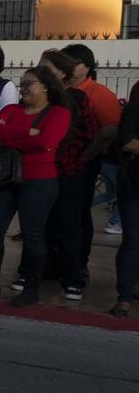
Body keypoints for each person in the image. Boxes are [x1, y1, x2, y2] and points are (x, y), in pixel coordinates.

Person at [0, 68, 71, 305]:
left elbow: (45, 142)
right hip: (5, 179)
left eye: (28, 83)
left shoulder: (59, 113)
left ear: (46, 86)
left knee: (32, 235)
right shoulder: (12, 110)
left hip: (39, 181)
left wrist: (13, 136)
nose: (23, 88)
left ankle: (30, 289)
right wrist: (27, 133)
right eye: (21, 83)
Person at [40, 49, 98, 302]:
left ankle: (72, 279)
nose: (41, 71)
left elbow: (90, 133)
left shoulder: (76, 98)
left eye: (47, 67)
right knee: (40, 225)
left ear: (62, 72)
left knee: (69, 227)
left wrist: (80, 159)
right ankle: (39, 271)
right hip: (41, 171)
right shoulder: (37, 97)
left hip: (68, 171)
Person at [61, 43, 121, 288]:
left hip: (85, 161)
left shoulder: (98, 92)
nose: (71, 67)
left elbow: (110, 128)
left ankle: (78, 265)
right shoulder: (59, 90)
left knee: (78, 215)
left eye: (75, 62)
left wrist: (88, 153)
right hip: (60, 162)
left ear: (88, 67)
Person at [111, 92, 139, 317]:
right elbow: (129, 143)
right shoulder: (134, 109)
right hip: (134, 184)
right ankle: (125, 297)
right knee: (132, 240)